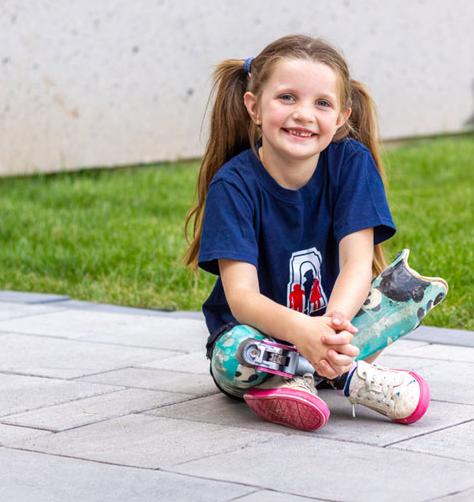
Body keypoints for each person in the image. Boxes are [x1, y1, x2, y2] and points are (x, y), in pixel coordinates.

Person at [184, 34, 444, 431]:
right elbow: (241, 297)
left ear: (341, 117)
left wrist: (330, 325)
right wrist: (304, 331)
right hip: (262, 336)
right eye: (287, 97)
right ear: (253, 106)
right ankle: (344, 375)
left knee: (403, 299)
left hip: (334, 323)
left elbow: (357, 264)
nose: (304, 114)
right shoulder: (233, 185)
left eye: (322, 103)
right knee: (235, 354)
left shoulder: (351, 164)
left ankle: (310, 374)